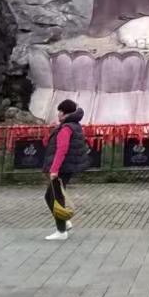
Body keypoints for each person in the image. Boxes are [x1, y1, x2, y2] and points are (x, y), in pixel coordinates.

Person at [42, 99, 89, 241]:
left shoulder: (66, 128)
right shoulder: (73, 125)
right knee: (49, 196)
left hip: (62, 167)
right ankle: (64, 222)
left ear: (64, 113)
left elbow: (61, 150)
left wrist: (54, 170)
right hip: (67, 166)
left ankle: (61, 230)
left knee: (56, 197)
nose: (58, 114)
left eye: (60, 112)